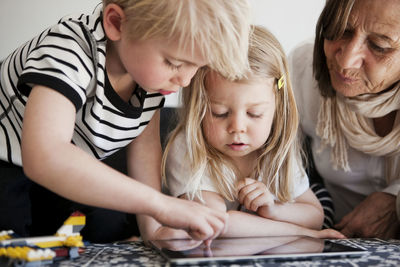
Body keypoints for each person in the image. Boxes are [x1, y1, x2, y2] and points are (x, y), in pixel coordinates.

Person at [0, 0, 252, 243]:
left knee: (108, 226)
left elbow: (145, 149)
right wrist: (161, 205)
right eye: (174, 63)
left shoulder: (150, 79)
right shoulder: (70, 48)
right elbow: (46, 155)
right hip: (9, 159)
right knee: (10, 238)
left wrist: (154, 229)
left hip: (64, 168)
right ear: (117, 23)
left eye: (197, 66)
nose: (185, 81)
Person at [160, 26, 345, 239]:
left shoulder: (277, 150)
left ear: (277, 110)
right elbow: (219, 225)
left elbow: (315, 215)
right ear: (197, 108)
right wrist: (302, 233)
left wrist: (274, 210)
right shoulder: (188, 148)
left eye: (255, 114)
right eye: (219, 113)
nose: (237, 127)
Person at [289, 0, 400, 239]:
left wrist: (396, 198)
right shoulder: (302, 70)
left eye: (379, 46)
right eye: (340, 30)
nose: (346, 61)